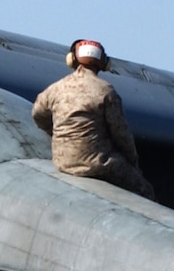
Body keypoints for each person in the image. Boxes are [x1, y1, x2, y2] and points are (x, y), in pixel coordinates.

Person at [30, 39, 156, 199]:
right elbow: (121, 134)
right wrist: (132, 162)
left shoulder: (56, 88)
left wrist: (53, 131)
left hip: (63, 162)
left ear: (71, 60)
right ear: (104, 63)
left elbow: (37, 114)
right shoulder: (106, 91)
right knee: (145, 190)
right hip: (97, 165)